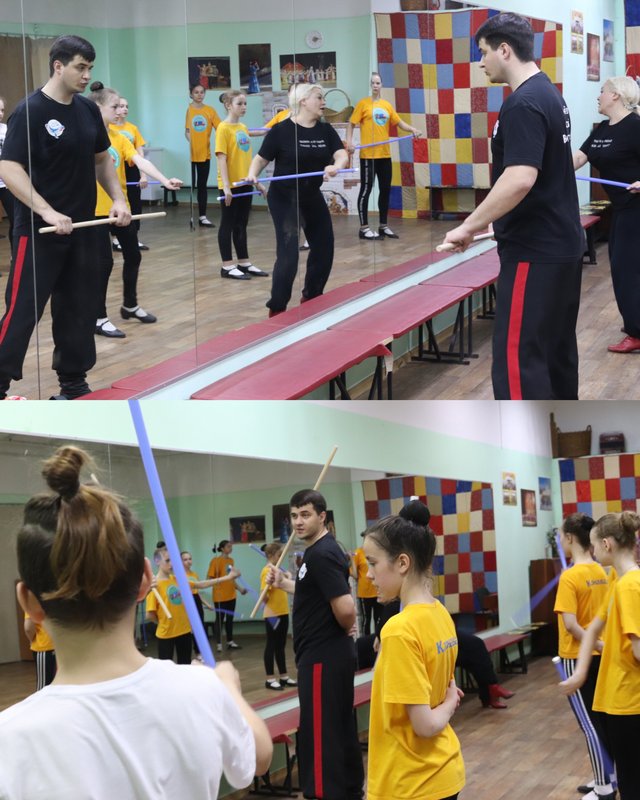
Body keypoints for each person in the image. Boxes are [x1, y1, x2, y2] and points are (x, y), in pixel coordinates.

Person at [0, 444, 272, 798]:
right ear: (146, 580)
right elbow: (259, 757)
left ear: (28, 602)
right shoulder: (201, 690)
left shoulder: (11, 739)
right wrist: (228, 689)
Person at [441, 13, 584, 401]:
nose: (481, 62)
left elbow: (520, 177)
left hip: (534, 252)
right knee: (554, 354)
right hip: (560, 245)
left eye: (483, 52)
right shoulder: (549, 94)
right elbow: (547, 172)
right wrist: (497, 219)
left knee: (520, 360)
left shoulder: (523, 103)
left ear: (504, 50)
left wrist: (468, 225)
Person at [0, 34, 131, 400]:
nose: (87, 75)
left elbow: (101, 160)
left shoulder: (87, 110)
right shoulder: (30, 111)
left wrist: (117, 198)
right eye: (80, 67)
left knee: (78, 309)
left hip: (83, 228)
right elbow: (9, 167)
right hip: (38, 231)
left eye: (90, 68)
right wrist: (46, 210)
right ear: (58, 66)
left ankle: (73, 384)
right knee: (22, 311)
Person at [267, 489, 364, 800]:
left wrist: (345, 628)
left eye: (305, 515)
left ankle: (324, 794)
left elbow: (346, 608)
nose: (298, 521)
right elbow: (315, 592)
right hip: (324, 654)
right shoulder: (318, 551)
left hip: (323, 655)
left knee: (320, 731)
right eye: (294, 515)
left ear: (322, 517)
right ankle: (348, 790)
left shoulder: (321, 554)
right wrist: (284, 583)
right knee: (336, 725)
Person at [362, 512, 466, 800]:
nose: (368, 574)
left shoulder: (399, 630)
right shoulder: (440, 613)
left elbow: (426, 724)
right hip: (442, 773)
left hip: (410, 783)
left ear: (402, 563)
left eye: (373, 563)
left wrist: (449, 703)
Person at [88, 82, 182, 337]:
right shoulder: (86, 137)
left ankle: (130, 305)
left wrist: (164, 180)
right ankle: (98, 317)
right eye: (114, 106)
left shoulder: (120, 137)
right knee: (103, 263)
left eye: (121, 106)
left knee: (133, 256)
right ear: (98, 108)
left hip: (121, 209)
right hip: (94, 211)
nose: (120, 111)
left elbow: (140, 160)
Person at [246, 83, 348, 316]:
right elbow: (261, 159)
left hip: (311, 195)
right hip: (284, 197)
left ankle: (312, 297)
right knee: (289, 255)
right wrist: (252, 174)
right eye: (319, 97)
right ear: (303, 101)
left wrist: (336, 165)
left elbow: (341, 153)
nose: (323, 102)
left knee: (324, 248)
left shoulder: (325, 130)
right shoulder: (281, 130)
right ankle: (277, 307)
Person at [560, 512, 640, 800]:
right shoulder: (617, 580)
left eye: (594, 545)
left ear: (607, 544)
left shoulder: (630, 585)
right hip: (618, 699)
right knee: (629, 778)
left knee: (632, 784)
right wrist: (580, 673)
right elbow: (593, 628)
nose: (592, 551)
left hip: (630, 701)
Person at [574, 77, 640, 354]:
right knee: (623, 267)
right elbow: (579, 157)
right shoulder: (602, 129)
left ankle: (636, 333)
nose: (598, 96)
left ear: (615, 95)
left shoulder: (635, 126)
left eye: (602, 91)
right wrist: (546, 168)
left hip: (637, 208)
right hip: (621, 209)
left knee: (627, 270)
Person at [554, 513, 613, 800]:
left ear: (569, 538)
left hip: (575, 657)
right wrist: (601, 645)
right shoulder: (602, 570)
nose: (559, 541)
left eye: (560, 536)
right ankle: (608, 775)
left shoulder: (570, 576)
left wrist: (595, 643)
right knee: (601, 719)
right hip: (599, 655)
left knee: (589, 724)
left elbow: (570, 625)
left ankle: (603, 787)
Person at [346, 72, 422, 240]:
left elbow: (399, 122)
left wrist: (413, 130)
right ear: (370, 85)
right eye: (373, 83)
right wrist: (349, 142)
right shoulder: (363, 104)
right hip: (368, 156)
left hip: (384, 155)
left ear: (381, 85)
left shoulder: (386, 105)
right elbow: (351, 124)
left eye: (378, 83)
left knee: (385, 190)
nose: (375, 85)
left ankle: (383, 226)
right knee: (366, 190)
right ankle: (364, 228)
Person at [147, 545, 238, 664]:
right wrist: (165, 622)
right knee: (166, 667)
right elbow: (150, 615)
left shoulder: (177, 579)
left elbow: (200, 584)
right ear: (157, 561)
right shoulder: (154, 585)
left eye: (173, 560)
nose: (171, 564)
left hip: (184, 631)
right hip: (166, 633)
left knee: (185, 664)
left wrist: (227, 577)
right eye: (167, 560)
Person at [216, 90, 268, 280]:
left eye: (245, 103)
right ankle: (227, 266)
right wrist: (226, 186)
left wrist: (256, 182)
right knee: (228, 223)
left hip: (245, 182)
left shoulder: (242, 127)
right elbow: (221, 158)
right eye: (239, 104)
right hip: (230, 185)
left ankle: (244, 262)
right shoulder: (223, 128)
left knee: (242, 223)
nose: (244, 107)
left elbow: (246, 160)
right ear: (228, 105)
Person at [111, 96, 149, 251]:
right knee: (117, 202)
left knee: (134, 203)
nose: (124, 109)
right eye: (121, 106)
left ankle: (134, 236)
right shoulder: (109, 129)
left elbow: (140, 153)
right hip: (115, 169)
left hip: (132, 169)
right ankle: (115, 238)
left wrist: (143, 175)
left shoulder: (133, 128)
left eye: (126, 106)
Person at [260, 542, 296, 690]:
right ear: (270, 555)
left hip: (283, 612)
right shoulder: (266, 571)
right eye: (279, 555)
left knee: (281, 645)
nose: (281, 557)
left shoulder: (278, 570)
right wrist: (269, 588)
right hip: (272, 614)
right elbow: (264, 596)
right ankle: (270, 679)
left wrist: (287, 577)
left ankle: (284, 676)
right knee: (272, 645)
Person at [185, 83, 220, 228]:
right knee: (193, 186)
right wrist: (191, 142)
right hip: (193, 154)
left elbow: (221, 128)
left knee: (202, 185)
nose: (199, 95)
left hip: (205, 154)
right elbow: (187, 131)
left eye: (201, 92)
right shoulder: (189, 109)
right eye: (196, 92)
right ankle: (193, 216)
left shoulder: (210, 110)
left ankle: (203, 217)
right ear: (191, 94)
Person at [207, 540, 247, 652]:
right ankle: (219, 644)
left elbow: (231, 579)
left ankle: (230, 642)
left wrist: (240, 589)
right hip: (220, 597)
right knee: (219, 620)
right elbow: (209, 578)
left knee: (230, 619)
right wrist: (218, 586)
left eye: (231, 546)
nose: (231, 548)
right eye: (228, 547)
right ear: (222, 548)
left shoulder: (231, 561)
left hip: (231, 596)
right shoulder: (215, 561)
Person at [181, 550, 215, 661]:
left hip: (196, 600)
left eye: (190, 559)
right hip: (185, 602)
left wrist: (207, 604)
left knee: (199, 627)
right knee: (189, 629)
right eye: (185, 559)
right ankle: (188, 654)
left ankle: (199, 652)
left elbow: (197, 592)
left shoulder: (194, 575)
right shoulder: (178, 576)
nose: (188, 561)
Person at [352, 544, 381, 635]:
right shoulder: (358, 553)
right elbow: (355, 574)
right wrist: (351, 560)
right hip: (364, 593)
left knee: (378, 618)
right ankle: (365, 639)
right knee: (366, 619)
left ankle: (377, 639)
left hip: (378, 591)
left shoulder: (377, 551)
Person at [24, 612, 56, 690]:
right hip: (64, 644)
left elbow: (28, 628)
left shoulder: (33, 604)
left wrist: (31, 640)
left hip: (45, 645)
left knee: (44, 686)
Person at [0, 95, 15, 256]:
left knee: (15, 219)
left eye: (2, 110)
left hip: (6, 182)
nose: (0, 113)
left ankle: (15, 255)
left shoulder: (7, 129)